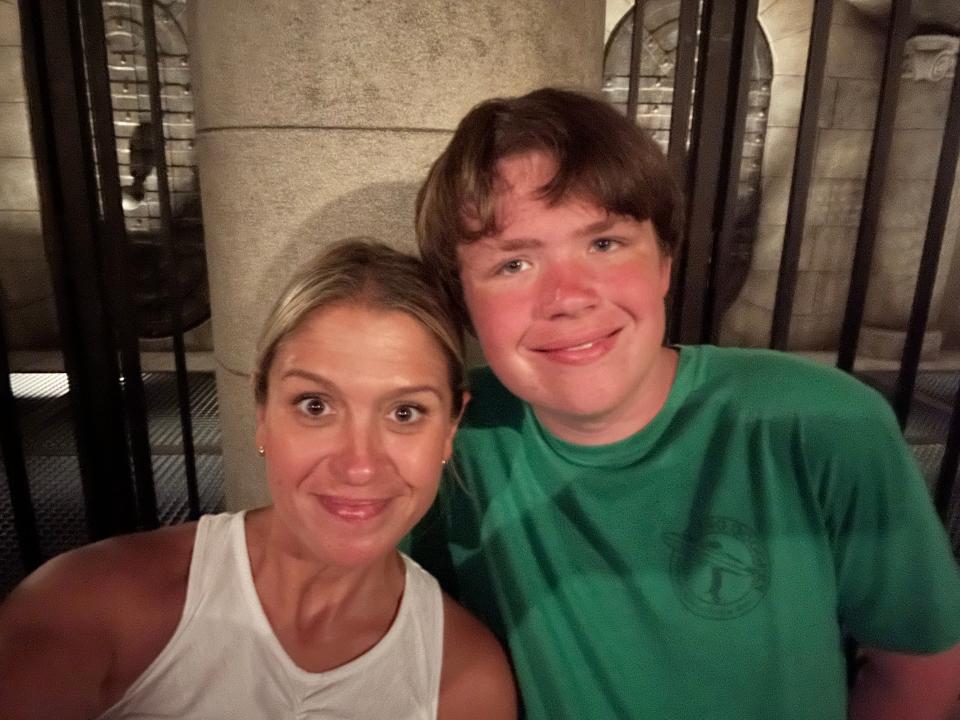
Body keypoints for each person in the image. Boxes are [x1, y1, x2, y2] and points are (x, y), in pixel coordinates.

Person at [411, 87, 960, 719]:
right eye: (513, 265)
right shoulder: (446, 445)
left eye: (604, 244)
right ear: (464, 303)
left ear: (665, 263)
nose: (570, 296)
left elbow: (917, 667)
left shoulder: (821, 423)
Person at [0, 239, 517, 720]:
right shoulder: (90, 607)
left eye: (405, 413)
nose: (360, 465)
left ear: (450, 428)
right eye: (315, 405)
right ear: (263, 413)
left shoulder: (465, 679)